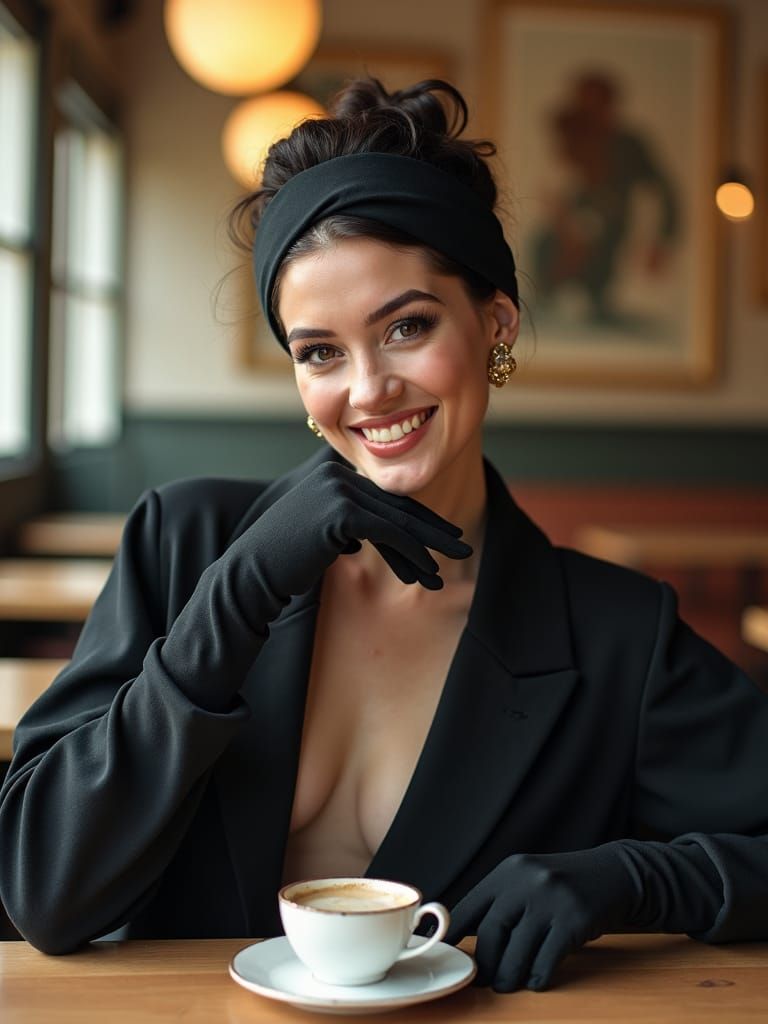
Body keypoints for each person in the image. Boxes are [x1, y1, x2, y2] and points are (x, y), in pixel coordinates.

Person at [1, 78, 766, 994]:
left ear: (497, 324)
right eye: (320, 351)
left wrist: (641, 879)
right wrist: (235, 598)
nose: (366, 390)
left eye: (406, 326)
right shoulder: (187, 539)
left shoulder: (616, 635)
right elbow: (41, 890)